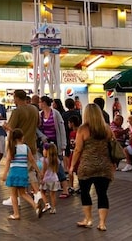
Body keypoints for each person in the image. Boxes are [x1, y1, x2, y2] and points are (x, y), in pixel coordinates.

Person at [69, 103, 115, 232]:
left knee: (85, 193)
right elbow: (112, 146)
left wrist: (72, 166)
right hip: (104, 166)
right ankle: (102, 223)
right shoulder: (106, 128)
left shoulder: (83, 129)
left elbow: (78, 149)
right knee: (102, 194)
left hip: (87, 166)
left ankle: (88, 219)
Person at [4, 90, 44, 209]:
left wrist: (4, 126)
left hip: (18, 147)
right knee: (30, 172)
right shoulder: (34, 109)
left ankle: (21, 197)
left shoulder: (17, 111)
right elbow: (39, 124)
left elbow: (11, 129)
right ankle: (35, 196)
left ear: (16, 98)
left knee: (16, 173)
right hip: (32, 144)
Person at [0, 128, 43, 220]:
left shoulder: (11, 148)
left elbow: (8, 161)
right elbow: (32, 160)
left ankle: (16, 214)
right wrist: (39, 172)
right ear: (21, 137)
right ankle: (35, 206)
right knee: (23, 193)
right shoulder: (26, 148)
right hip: (23, 172)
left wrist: (4, 174)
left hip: (14, 172)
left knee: (14, 195)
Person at [37, 95, 70, 198]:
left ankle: (65, 188)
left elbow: (61, 128)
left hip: (56, 143)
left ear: (44, 103)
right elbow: (36, 128)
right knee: (45, 165)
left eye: (40, 102)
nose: (39, 104)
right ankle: (47, 187)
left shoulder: (55, 114)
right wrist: (42, 136)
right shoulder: (40, 115)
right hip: (45, 143)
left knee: (57, 165)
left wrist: (63, 143)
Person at [40, 142, 61, 214]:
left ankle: (46, 204)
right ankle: (54, 208)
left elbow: (43, 170)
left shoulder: (44, 160)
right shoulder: (56, 160)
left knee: (42, 192)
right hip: (54, 179)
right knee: (53, 195)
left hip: (46, 179)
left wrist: (41, 179)